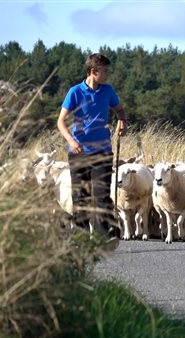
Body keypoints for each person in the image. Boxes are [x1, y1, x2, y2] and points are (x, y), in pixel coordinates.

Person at [57, 53, 127, 243]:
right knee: (81, 197)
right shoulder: (75, 92)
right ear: (93, 71)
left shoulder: (108, 90)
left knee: (101, 195)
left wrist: (122, 120)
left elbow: (120, 109)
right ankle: (80, 238)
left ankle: (103, 237)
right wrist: (72, 142)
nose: (108, 75)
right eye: (105, 71)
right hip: (78, 153)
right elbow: (60, 121)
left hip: (103, 151)